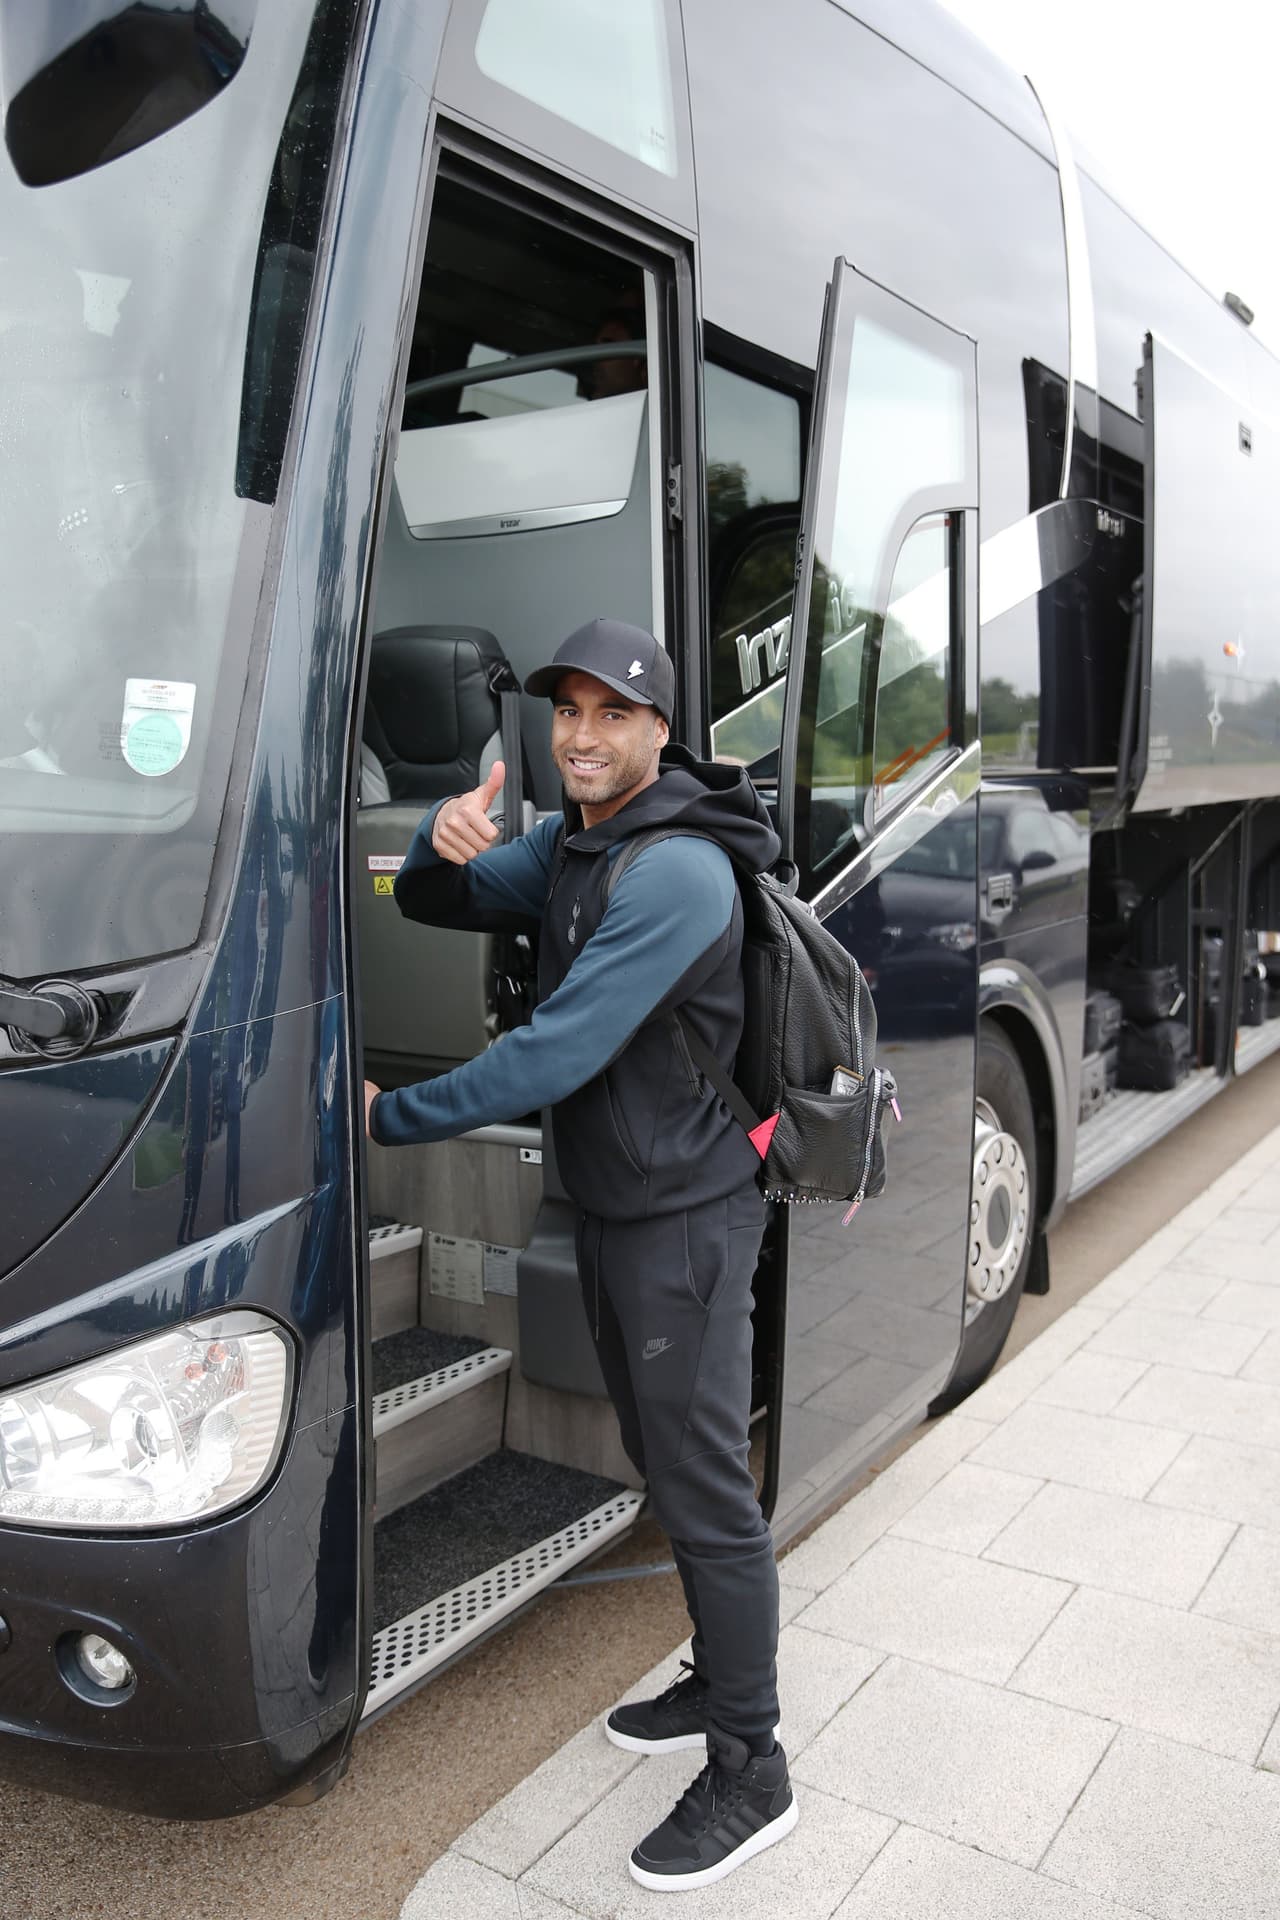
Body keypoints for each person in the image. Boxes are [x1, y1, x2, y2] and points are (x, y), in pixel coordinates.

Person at [363, 616, 797, 1892]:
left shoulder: (671, 875)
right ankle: (719, 1683)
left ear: (661, 730)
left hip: (685, 1223)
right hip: (616, 1203)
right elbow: (440, 903)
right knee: (664, 1451)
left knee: (704, 1483)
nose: (583, 736)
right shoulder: (572, 840)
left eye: (613, 713)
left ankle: (752, 1768)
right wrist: (436, 853)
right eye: (567, 712)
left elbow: (552, 1051)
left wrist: (384, 1117)